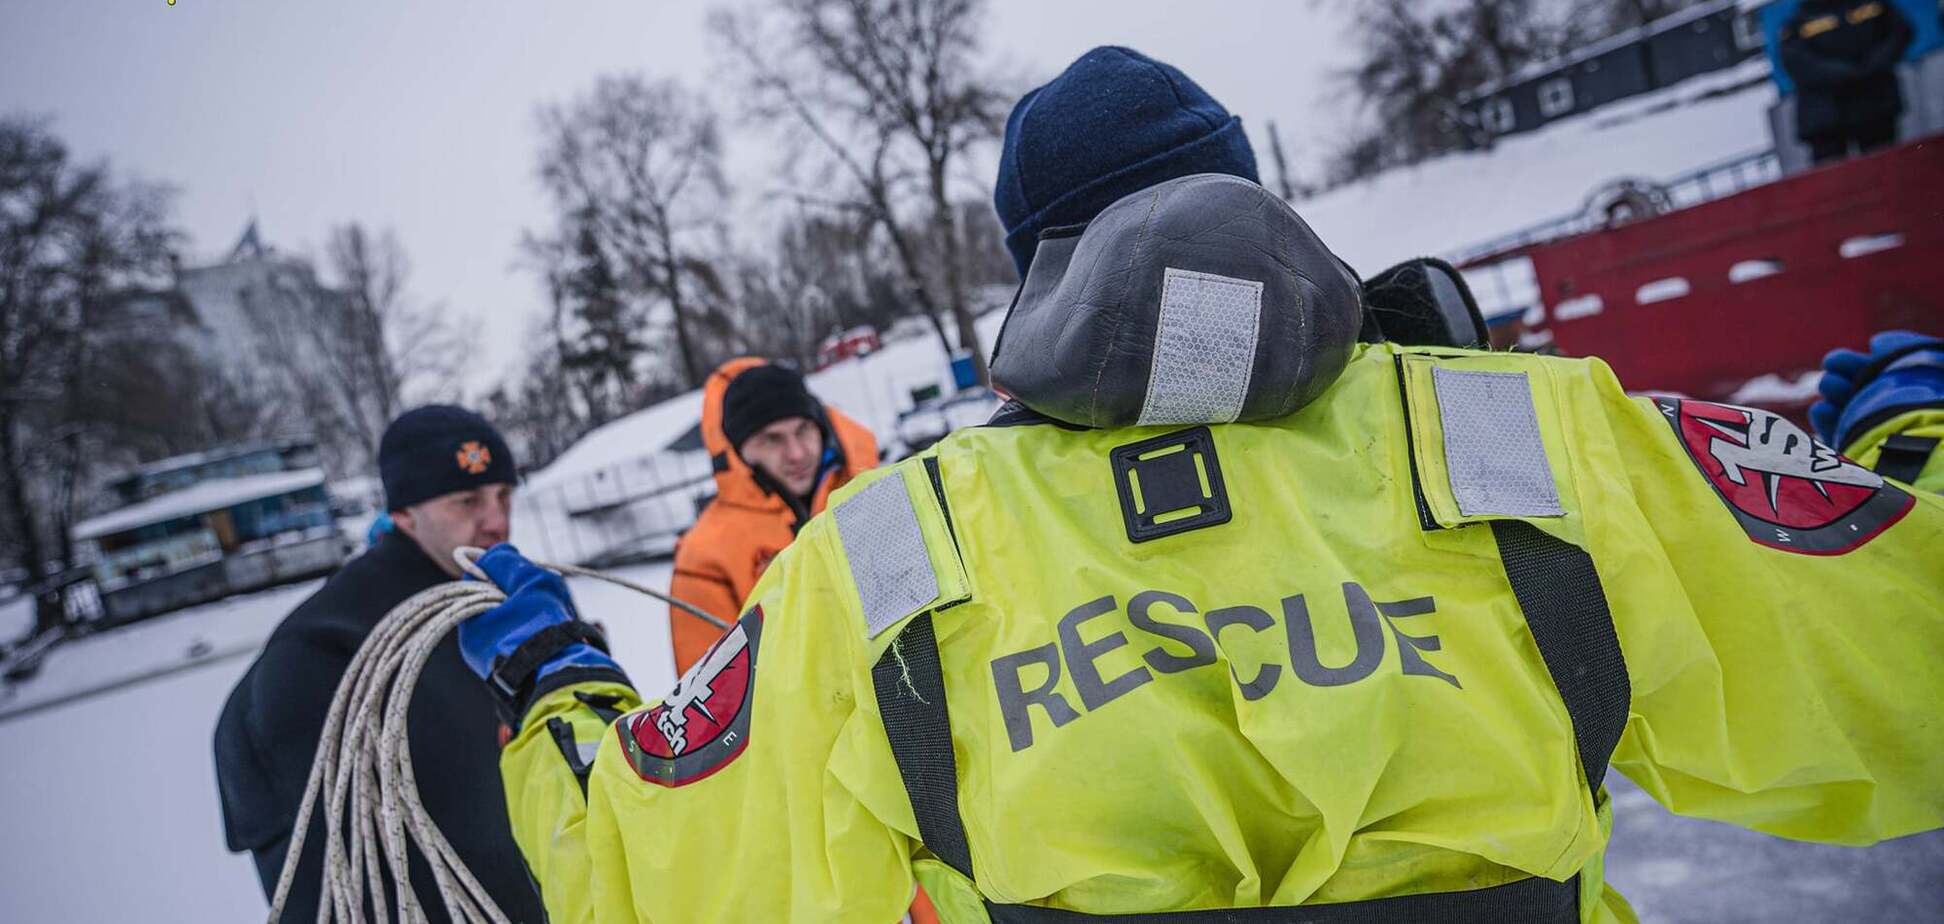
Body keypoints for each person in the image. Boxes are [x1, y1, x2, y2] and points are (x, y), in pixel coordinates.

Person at [458, 47, 1944, 923]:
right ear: (1261, 208)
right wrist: (1910, 453)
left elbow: (665, 883)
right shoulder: (1519, 438)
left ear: (1032, 281)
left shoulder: (899, 547)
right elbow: (1902, 659)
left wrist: (558, 705)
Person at [213, 406, 544, 924]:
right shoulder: (326, 652)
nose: (497, 520)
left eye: (505, 496)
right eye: (467, 501)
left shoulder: (488, 604)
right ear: (405, 513)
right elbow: (326, 882)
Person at [667, 357, 878, 673]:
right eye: (772, 439)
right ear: (740, 451)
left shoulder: (871, 493)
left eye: (803, 430)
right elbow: (712, 701)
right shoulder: (703, 556)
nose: (796, 453)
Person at [1779, 0, 1915, 164]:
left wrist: (1875, 63)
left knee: (1886, 170)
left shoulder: (1872, 5)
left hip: (1874, 106)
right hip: (1826, 117)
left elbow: (1900, 32)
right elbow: (1797, 62)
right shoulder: (1800, 19)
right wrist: (1845, 73)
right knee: (1835, 181)